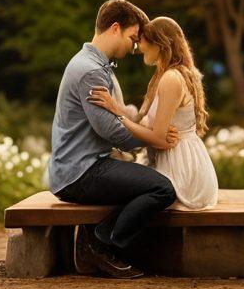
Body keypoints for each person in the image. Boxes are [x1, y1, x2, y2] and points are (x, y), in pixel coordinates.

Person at [49, 0, 178, 278]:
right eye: (133, 38)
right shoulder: (91, 71)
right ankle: (98, 245)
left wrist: (143, 120)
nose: (134, 48)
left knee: (148, 180)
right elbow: (113, 132)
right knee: (162, 189)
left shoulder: (97, 65)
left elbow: (121, 113)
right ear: (115, 28)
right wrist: (155, 137)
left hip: (81, 166)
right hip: (80, 172)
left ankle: (100, 241)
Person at [89, 15, 219, 210]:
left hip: (181, 169)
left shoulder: (172, 79)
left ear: (159, 44)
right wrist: (119, 109)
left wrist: (116, 112)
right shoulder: (161, 76)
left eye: (141, 41)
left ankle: (105, 238)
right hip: (170, 159)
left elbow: (158, 139)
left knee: (118, 193)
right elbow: (144, 122)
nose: (137, 48)